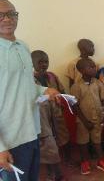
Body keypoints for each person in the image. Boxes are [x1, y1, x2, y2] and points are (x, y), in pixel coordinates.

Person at [0, 0, 60, 181]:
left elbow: (25, 86)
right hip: (9, 141)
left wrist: (44, 91)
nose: (7, 19)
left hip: (32, 132)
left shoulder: (23, 47)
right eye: (0, 15)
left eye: (11, 14)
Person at [70, 58, 104, 175]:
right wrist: (84, 121)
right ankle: (85, 162)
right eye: (90, 67)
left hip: (97, 118)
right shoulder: (76, 87)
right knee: (83, 141)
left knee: (97, 140)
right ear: (81, 70)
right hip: (83, 120)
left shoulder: (98, 83)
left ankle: (100, 160)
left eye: (94, 66)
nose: (94, 69)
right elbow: (75, 106)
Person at [31, 50, 68, 180]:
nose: (43, 65)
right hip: (42, 119)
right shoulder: (29, 80)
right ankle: (53, 174)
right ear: (32, 63)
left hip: (56, 116)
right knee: (47, 145)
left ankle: (60, 167)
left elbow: (61, 91)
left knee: (60, 139)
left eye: (46, 61)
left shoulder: (52, 76)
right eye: (40, 62)